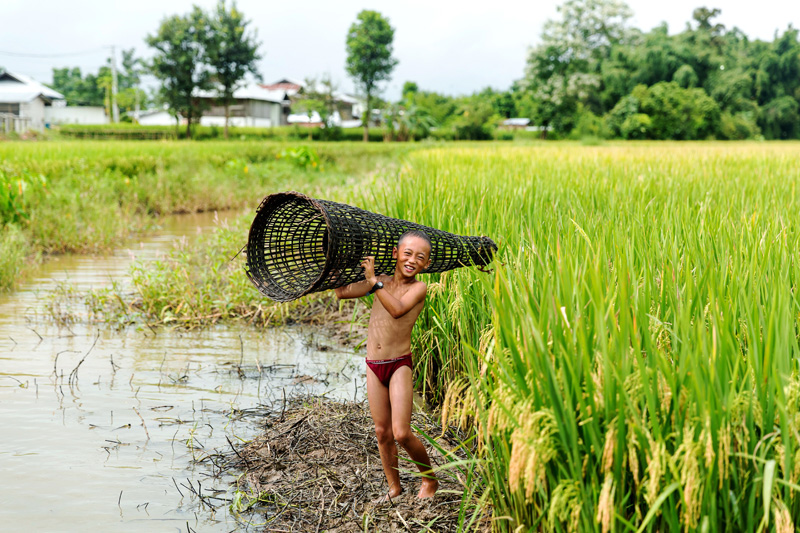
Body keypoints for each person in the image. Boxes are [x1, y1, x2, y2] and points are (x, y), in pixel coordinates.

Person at [334, 230, 439, 500]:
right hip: (373, 365)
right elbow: (342, 292)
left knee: (401, 432)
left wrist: (373, 282)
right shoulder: (378, 282)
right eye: (407, 253)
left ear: (426, 264)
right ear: (395, 254)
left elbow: (397, 309)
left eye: (420, 257)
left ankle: (429, 480)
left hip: (398, 365)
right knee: (382, 432)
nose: (412, 260)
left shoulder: (418, 288)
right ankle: (394, 487)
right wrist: (337, 261)